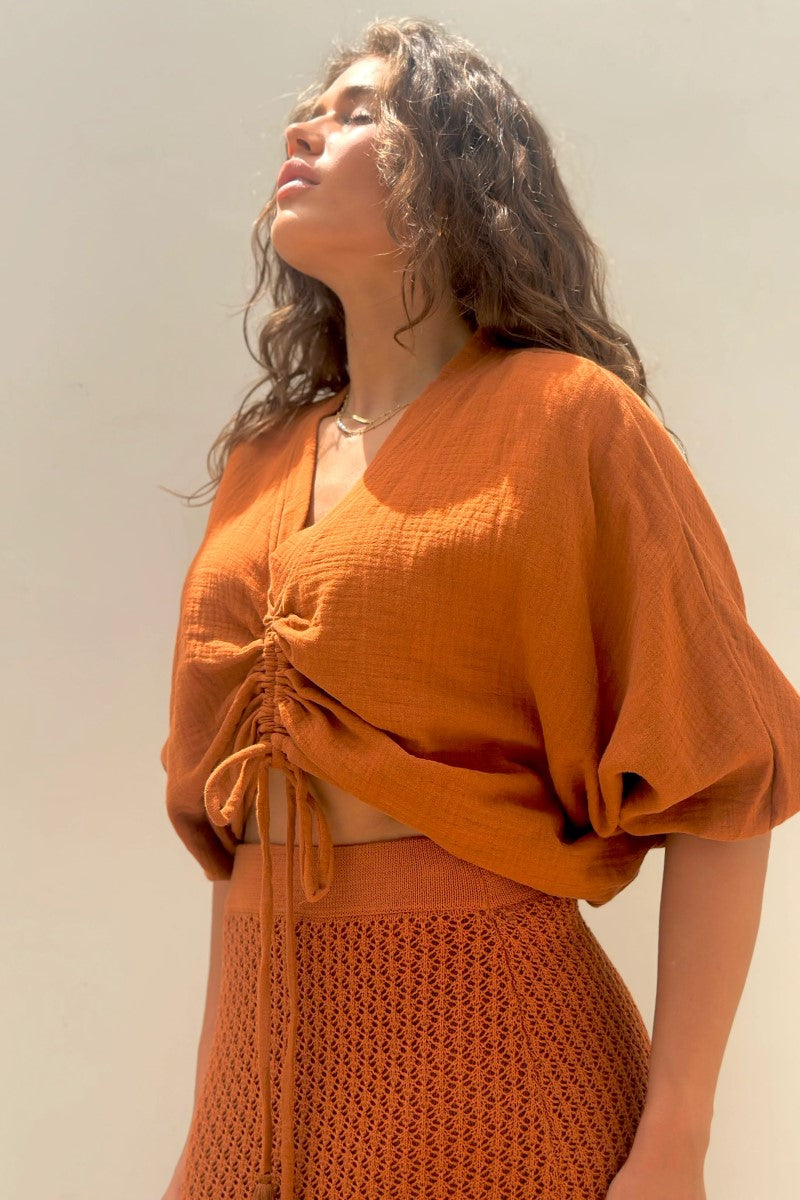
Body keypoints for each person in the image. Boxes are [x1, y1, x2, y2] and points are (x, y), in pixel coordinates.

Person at [158, 17, 800, 1200]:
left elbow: (725, 782)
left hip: (495, 1065)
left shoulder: (568, 419)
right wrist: (215, 1117)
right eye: (316, 105)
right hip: (259, 1066)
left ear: (458, 171)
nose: (306, 127)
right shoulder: (260, 460)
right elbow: (245, 816)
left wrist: (677, 1139)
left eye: (360, 112)